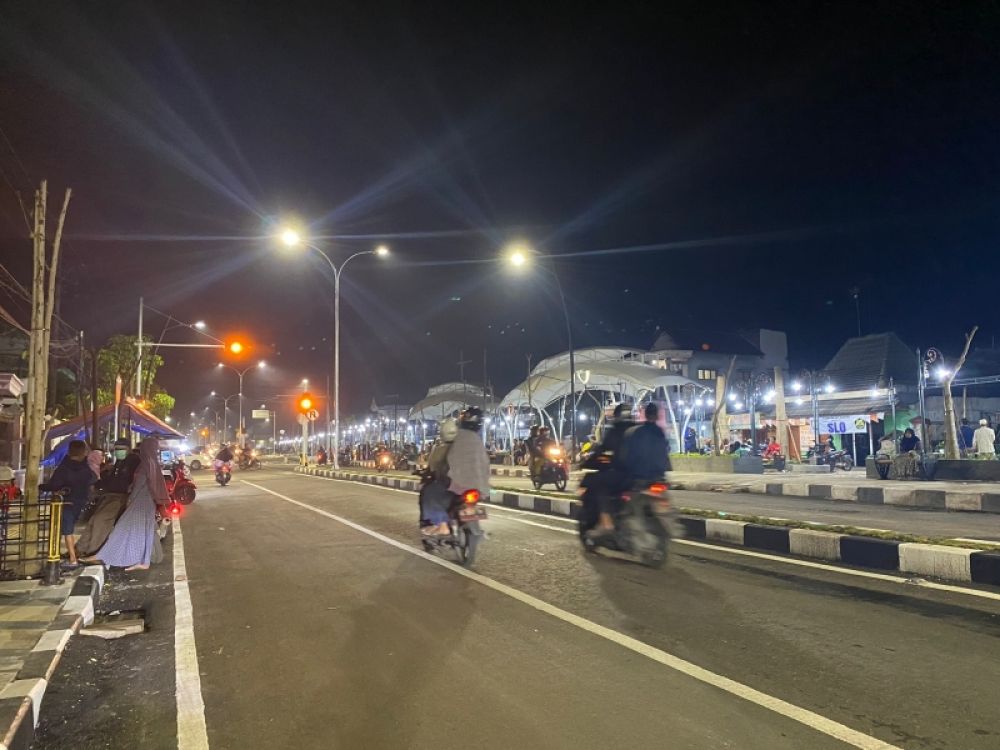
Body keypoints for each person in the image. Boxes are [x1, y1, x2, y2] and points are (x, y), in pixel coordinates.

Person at [84, 436, 167, 571]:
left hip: (139, 502)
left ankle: (103, 555)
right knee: (145, 531)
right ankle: (143, 562)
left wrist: (130, 499)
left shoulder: (144, 465)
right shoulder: (152, 464)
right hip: (147, 503)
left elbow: (139, 486)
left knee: (121, 529)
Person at [592, 403, 669, 535]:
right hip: (659, 477)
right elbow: (665, 453)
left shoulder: (633, 432)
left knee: (601, 486)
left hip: (635, 476)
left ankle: (607, 524)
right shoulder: (658, 432)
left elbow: (623, 456)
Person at [428, 408, 489, 536]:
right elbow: (485, 465)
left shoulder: (455, 439)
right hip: (479, 487)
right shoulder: (478, 442)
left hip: (458, 484)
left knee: (434, 493)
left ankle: (443, 526)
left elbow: (439, 463)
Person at [78, 439, 140, 558]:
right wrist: (99, 482)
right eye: (116, 449)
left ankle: (94, 552)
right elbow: (112, 480)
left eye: (121, 449)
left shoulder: (133, 461)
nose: (118, 451)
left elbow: (128, 481)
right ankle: (80, 548)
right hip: (110, 495)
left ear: (129, 449)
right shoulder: (119, 462)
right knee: (94, 520)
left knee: (101, 521)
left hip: (120, 497)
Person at [42, 439, 97, 569]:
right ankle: (68, 555)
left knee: (66, 531)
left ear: (69, 451)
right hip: (81, 502)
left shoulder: (64, 468)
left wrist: (41, 487)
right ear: (84, 452)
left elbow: (53, 485)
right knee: (68, 530)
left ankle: (72, 559)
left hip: (66, 502)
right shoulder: (86, 468)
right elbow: (93, 480)